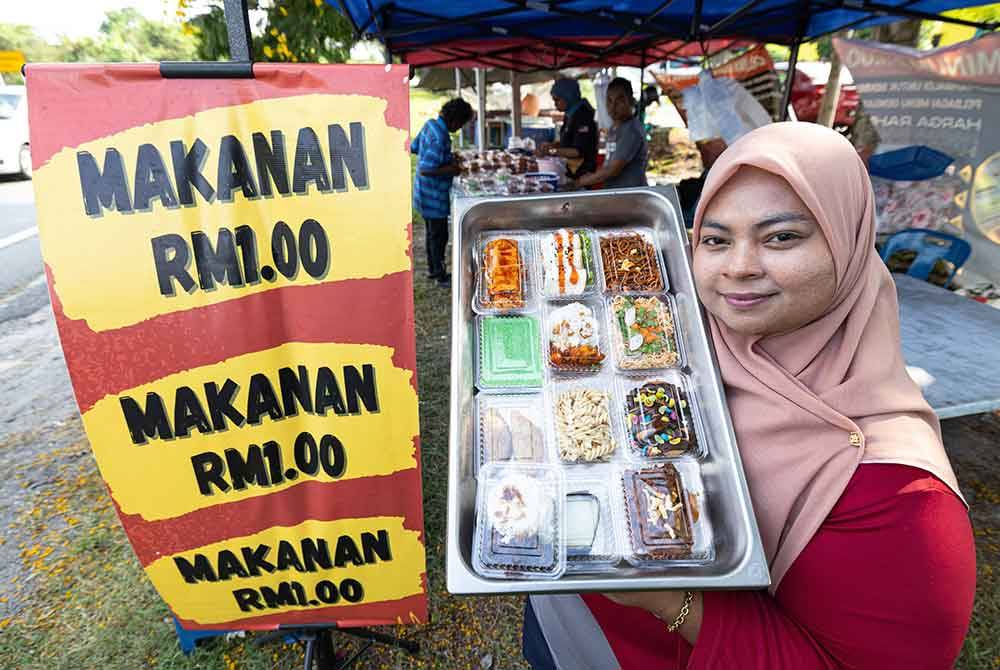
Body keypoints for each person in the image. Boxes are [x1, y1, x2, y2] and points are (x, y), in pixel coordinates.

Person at [523, 123, 975, 669]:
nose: (739, 266)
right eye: (715, 239)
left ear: (849, 243)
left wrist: (666, 597)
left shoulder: (902, 494)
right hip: (562, 620)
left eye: (781, 237)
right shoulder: (678, 341)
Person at [411, 98, 474, 288]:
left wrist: (447, 157)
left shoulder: (430, 125)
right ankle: (439, 274)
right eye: (461, 124)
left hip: (422, 192)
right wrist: (453, 169)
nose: (460, 128)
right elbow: (426, 169)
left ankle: (432, 268)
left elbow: (414, 148)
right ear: (455, 120)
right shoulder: (441, 136)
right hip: (434, 196)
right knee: (439, 236)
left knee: (432, 233)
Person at [575, 77, 648, 189]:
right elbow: (608, 163)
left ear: (631, 101)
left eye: (620, 100)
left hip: (630, 197)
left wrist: (582, 181)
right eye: (609, 100)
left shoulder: (631, 131)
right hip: (616, 193)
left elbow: (613, 170)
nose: (613, 107)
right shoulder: (615, 128)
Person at [537, 78, 597, 180]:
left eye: (557, 100)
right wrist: (552, 145)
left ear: (568, 96)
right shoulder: (570, 113)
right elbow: (568, 140)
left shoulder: (583, 115)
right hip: (570, 169)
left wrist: (551, 151)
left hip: (582, 175)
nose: (555, 104)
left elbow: (578, 151)